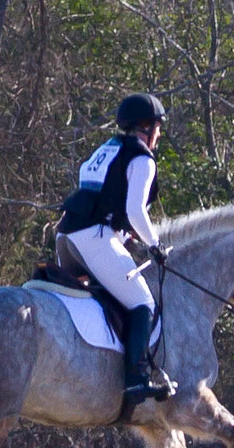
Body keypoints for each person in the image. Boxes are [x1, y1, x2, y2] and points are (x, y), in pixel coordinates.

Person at [56, 93, 173, 405]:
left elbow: (100, 198)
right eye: (158, 127)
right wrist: (155, 245)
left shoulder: (106, 149)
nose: (159, 135)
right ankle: (136, 378)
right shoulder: (142, 159)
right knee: (143, 303)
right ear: (146, 127)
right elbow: (136, 211)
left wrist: (122, 236)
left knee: (106, 297)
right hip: (91, 240)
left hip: (65, 239)